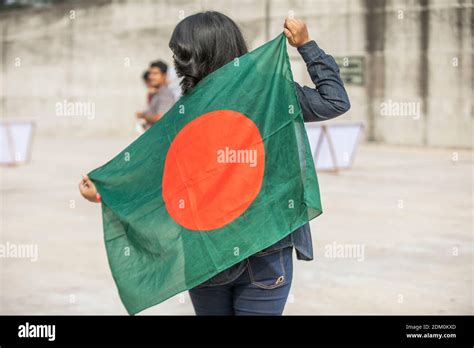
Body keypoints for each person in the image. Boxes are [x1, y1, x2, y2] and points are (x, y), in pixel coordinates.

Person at [79, 11, 350, 316]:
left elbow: (156, 175)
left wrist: (108, 194)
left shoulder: (188, 111)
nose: (175, 60)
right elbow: (334, 101)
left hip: (208, 250)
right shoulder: (270, 92)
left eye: (179, 52)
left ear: (197, 55)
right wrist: (306, 45)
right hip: (260, 247)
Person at [135, 60, 176, 130]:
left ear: (164, 75)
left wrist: (143, 115)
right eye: (150, 73)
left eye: (155, 74)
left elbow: (161, 119)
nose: (151, 77)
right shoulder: (157, 93)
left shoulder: (166, 94)